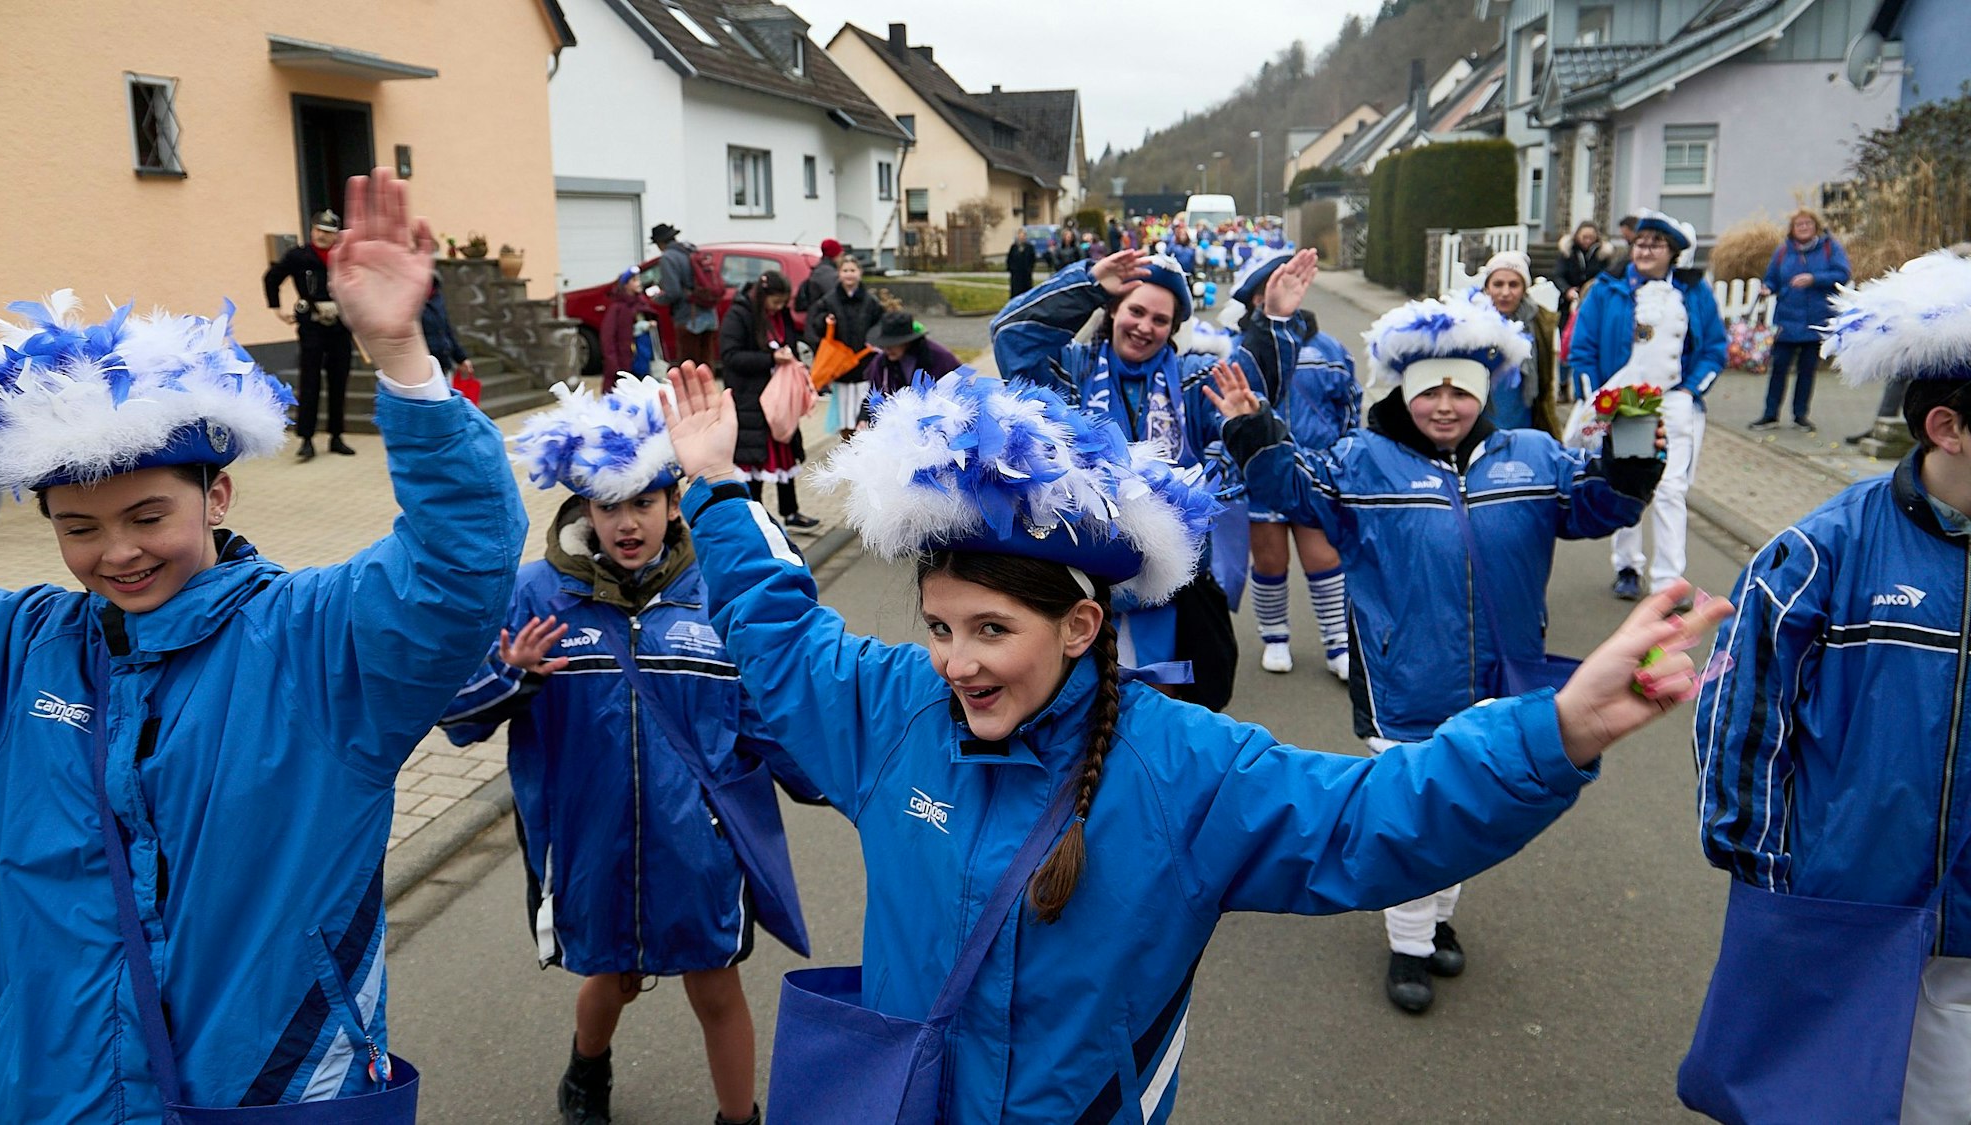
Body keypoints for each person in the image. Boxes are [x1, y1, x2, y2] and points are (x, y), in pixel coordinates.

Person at [652, 359, 1726, 1120]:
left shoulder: (1180, 766)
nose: (956, 662)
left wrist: (1553, 734)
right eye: (936, 627)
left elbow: (1367, 823)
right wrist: (710, 481)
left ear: (1080, 629)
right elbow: (781, 633)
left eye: (991, 630)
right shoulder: (892, 711)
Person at [0, 167, 527, 1119]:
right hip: (49, 1088)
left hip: (264, 1085)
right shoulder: (18, 647)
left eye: (149, 513)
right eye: (77, 527)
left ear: (217, 493)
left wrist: (399, 353)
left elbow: (458, 565)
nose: (117, 552)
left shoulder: (313, 643)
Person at [1212, 291, 1663, 1015]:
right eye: (1430, 391)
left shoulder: (1532, 457)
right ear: (1407, 392)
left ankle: (1434, 915)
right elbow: (1293, 487)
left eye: (1461, 390)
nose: (1445, 405)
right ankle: (1410, 944)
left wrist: (1635, 446)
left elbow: (1601, 505)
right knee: (1415, 809)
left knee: (1474, 800)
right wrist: (1253, 430)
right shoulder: (1363, 462)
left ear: (1484, 392)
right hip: (1405, 677)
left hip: (1504, 671)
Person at [441, 376, 815, 1125]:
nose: (627, 522)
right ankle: (588, 1069)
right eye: (609, 505)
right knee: (610, 975)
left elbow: (770, 715)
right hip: (591, 843)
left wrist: (838, 777)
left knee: (716, 986)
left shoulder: (717, 593)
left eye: (644, 501)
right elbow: (457, 716)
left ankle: (740, 1118)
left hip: (701, 847)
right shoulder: (532, 596)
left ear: (674, 502)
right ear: (585, 507)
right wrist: (511, 677)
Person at [1692, 250, 1971, 1123]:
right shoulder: (1825, 549)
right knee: (1814, 1098)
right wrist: (1768, 864)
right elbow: (1744, 709)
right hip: (1844, 894)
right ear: (1946, 428)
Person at [990, 249, 1318, 710]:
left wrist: (1275, 320)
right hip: (1076, 573)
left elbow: (1246, 391)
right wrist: (1089, 283)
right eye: (1136, 311)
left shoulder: (1189, 379)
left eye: (1160, 320)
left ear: (1174, 329)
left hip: (1169, 583)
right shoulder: (1071, 369)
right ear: (1112, 311)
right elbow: (1012, 335)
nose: (1145, 326)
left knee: (1158, 713)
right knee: (1075, 708)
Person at [1569, 207, 1725, 606]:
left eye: (1655, 244)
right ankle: (1627, 565)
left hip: (1675, 399)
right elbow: (1583, 348)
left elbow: (1713, 349)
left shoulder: (1694, 291)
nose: (1645, 249)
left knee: (1672, 489)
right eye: (1640, 242)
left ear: (1672, 252)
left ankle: (1669, 582)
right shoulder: (1608, 289)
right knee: (1628, 484)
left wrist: (1690, 391)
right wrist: (1597, 396)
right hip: (1629, 403)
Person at [1227, 249, 1361, 679]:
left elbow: (1350, 403)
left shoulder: (1329, 348)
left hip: (1316, 469)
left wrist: (1344, 454)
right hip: (1261, 475)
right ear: (1252, 302)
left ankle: (1338, 642)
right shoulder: (1238, 352)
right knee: (1269, 562)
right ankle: (1275, 637)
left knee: (1323, 558)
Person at [718, 269, 818, 530]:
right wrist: (770, 359)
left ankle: (791, 512)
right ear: (763, 297)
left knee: (784, 455)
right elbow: (730, 357)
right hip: (751, 400)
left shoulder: (780, 315)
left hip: (779, 400)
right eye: (775, 302)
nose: (779, 307)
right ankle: (754, 519)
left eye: (783, 303)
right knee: (755, 461)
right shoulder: (739, 314)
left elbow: (791, 344)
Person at [262, 208, 356, 460]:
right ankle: (306, 438)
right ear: (312, 230)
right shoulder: (299, 256)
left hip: (340, 324)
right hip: (312, 324)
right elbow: (272, 278)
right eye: (318, 231)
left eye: (328, 233)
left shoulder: (345, 257)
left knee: (339, 379)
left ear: (336, 236)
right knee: (310, 381)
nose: (322, 236)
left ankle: (337, 435)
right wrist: (276, 308)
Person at [1751, 208, 1851, 433]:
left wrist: (1814, 279)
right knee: (1779, 370)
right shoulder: (1783, 251)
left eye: (1808, 224)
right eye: (1799, 225)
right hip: (1787, 320)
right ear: (1792, 229)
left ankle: (1800, 416)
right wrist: (1768, 288)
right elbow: (1772, 278)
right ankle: (1769, 415)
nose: (1804, 228)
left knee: (1807, 372)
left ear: (1816, 226)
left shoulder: (1829, 248)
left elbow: (1842, 274)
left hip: (1816, 320)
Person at [1477, 250, 1562, 435]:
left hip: (1525, 418)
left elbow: (1547, 381)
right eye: (1498, 284)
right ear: (1487, 288)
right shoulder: (1472, 323)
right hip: (1481, 420)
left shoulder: (1540, 322)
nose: (1505, 292)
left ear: (1524, 289)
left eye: (1513, 285)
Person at [803, 254, 884, 441]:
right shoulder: (829, 300)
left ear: (860, 273)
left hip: (864, 365)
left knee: (864, 413)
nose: (849, 275)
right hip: (841, 368)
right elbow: (815, 325)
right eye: (845, 270)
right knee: (844, 415)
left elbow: (879, 325)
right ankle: (846, 443)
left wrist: (873, 343)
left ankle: (863, 446)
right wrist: (826, 322)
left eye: (853, 270)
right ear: (839, 273)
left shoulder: (870, 302)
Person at [858, 310, 961, 426]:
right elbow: (874, 392)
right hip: (899, 427)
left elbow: (960, 391)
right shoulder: (882, 362)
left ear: (907, 341)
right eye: (884, 344)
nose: (887, 349)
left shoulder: (940, 358)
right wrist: (863, 418)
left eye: (892, 344)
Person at [654, 222, 718, 367]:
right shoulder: (691, 249)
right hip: (709, 314)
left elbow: (673, 293)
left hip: (688, 317)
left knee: (689, 366)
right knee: (706, 363)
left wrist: (657, 299)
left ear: (660, 243)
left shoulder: (668, 258)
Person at [1553, 221, 1612, 330]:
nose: (1587, 241)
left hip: (1594, 300)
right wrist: (1567, 290)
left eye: (1591, 237)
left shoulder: (1602, 255)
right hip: (1569, 302)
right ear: (1577, 236)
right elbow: (1558, 275)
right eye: (1584, 237)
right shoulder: (1568, 252)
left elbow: (1607, 276)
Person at [421, 271, 472, 388]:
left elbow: (446, 330)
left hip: (444, 365)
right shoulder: (409, 303)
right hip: (423, 372)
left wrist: (461, 358)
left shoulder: (437, 298)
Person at [599, 265, 644, 390]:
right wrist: (613, 365)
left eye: (638, 280)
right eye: (634, 280)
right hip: (622, 364)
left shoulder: (640, 305)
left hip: (640, 361)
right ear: (625, 285)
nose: (639, 283)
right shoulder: (617, 309)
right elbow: (607, 337)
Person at [793, 238, 843, 316]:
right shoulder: (828, 275)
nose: (842, 259)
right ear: (835, 256)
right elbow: (835, 301)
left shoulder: (821, 271)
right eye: (841, 255)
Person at [1006, 229, 1038, 298]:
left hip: (1026, 274)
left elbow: (1033, 259)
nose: (1022, 238)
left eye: (1023, 236)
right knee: (1016, 291)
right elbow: (1009, 259)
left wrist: (1030, 269)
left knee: (1026, 292)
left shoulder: (1029, 247)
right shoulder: (1014, 247)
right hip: (1016, 275)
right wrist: (1011, 269)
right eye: (1020, 236)